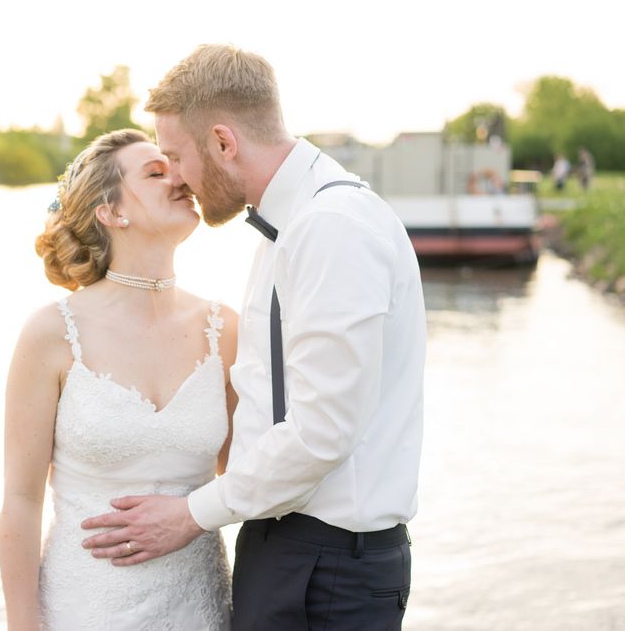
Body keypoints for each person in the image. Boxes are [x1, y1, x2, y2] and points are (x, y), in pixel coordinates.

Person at [80, 45, 427, 630]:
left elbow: (322, 433)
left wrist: (190, 514)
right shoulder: (288, 227)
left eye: (176, 156)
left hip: (329, 568)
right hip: (289, 550)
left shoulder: (331, 228)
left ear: (223, 142)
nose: (179, 178)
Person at [0, 128, 239, 630]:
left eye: (176, 163)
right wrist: (24, 625)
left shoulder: (225, 329)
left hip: (199, 608)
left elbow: (248, 477)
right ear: (111, 213)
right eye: (156, 172)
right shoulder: (52, 333)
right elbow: (22, 501)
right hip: (83, 608)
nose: (181, 177)